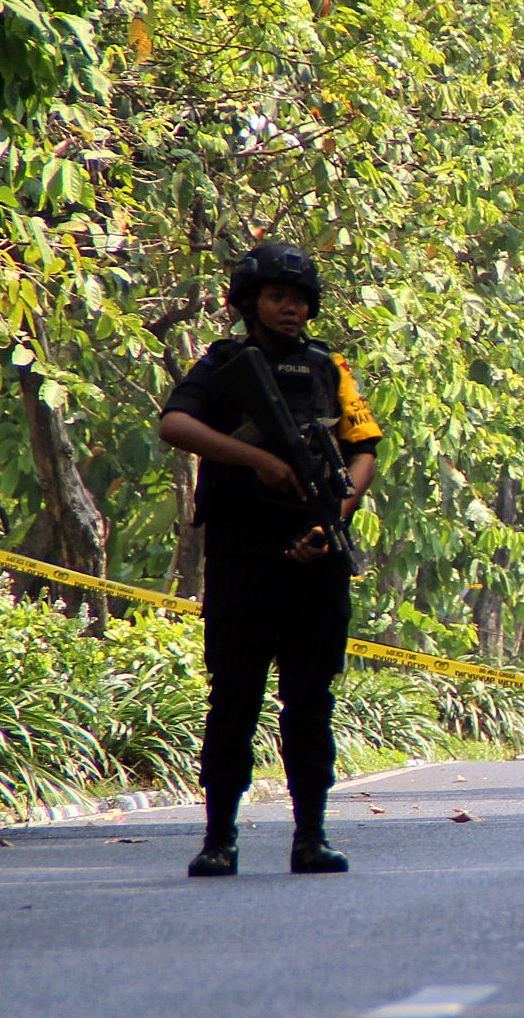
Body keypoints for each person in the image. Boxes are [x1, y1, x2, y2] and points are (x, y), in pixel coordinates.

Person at [159, 241, 382, 878]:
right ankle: (219, 837)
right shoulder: (225, 363)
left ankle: (311, 834)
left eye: (298, 300)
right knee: (234, 698)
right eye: (277, 298)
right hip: (244, 557)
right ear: (250, 303)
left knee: (309, 700)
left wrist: (336, 512)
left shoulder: (329, 367)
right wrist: (258, 459)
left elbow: (363, 448)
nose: (289, 309)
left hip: (316, 557)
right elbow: (175, 424)